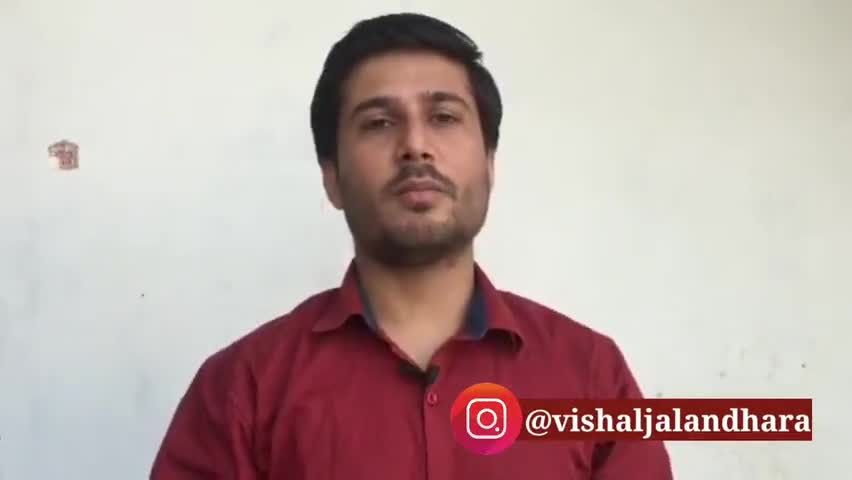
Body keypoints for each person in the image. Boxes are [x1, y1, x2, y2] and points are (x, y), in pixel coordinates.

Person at [150, 12, 673, 479]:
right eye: (379, 123)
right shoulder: (243, 389)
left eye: (444, 117)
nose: (416, 146)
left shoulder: (591, 375)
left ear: (490, 164)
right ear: (332, 178)